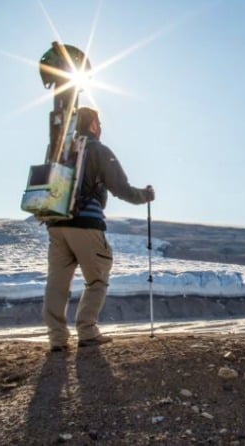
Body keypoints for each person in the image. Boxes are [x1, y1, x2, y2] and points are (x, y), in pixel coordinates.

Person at [43, 106, 154, 352]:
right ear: (93, 124)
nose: (101, 128)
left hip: (56, 223)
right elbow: (121, 188)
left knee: (57, 283)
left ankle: (57, 339)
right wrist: (145, 195)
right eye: (99, 123)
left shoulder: (60, 150)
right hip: (86, 224)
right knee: (97, 277)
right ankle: (87, 331)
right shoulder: (98, 151)